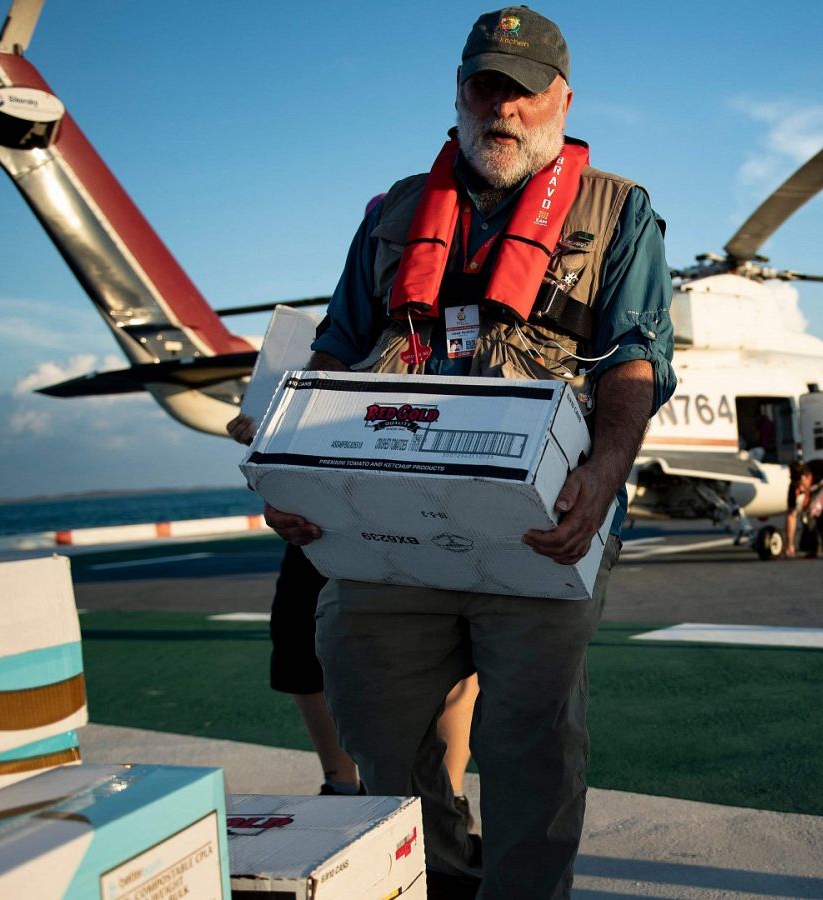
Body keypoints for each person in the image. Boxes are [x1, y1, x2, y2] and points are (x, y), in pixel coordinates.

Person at [261, 8, 674, 898]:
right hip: (386, 532)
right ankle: (443, 873)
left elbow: (636, 356)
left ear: (561, 98)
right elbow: (335, 353)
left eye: (524, 92)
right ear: (459, 92)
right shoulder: (394, 212)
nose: (505, 108)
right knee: (374, 725)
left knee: (528, 743)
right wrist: (291, 475)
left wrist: (603, 474)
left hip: (541, 528)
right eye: (487, 86)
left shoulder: (619, 211)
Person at [226, 413, 481, 813]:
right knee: (298, 642)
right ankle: (342, 788)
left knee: (447, 645)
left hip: (423, 484)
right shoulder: (323, 349)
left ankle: (452, 800)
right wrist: (263, 424)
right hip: (324, 492)